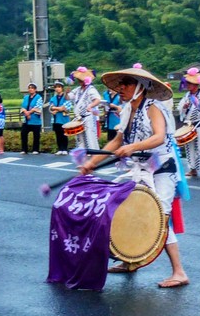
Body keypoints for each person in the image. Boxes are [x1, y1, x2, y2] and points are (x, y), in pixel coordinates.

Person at [79, 65, 189, 288]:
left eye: (127, 84)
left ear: (141, 87)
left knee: (158, 218)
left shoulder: (154, 108)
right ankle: (130, 262)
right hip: (141, 169)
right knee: (128, 212)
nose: (121, 88)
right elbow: (118, 141)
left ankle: (179, 272)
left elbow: (158, 138)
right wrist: (92, 162)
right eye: (121, 84)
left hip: (162, 170)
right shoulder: (127, 108)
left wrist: (133, 147)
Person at [177, 67, 200, 178]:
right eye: (187, 83)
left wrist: (199, 105)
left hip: (199, 124)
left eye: (190, 83)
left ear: (196, 85)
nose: (187, 85)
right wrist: (184, 107)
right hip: (189, 125)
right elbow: (180, 110)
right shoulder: (186, 96)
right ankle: (192, 169)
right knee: (189, 148)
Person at [65, 66, 101, 150]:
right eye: (79, 81)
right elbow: (68, 97)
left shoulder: (91, 89)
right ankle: (82, 155)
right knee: (80, 139)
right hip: (79, 118)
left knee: (90, 137)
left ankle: (94, 154)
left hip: (88, 116)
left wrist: (90, 106)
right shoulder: (77, 90)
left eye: (81, 81)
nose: (80, 82)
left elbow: (97, 99)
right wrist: (66, 93)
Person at [49, 81, 72, 155]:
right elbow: (50, 107)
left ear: (62, 88)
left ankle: (65, 149)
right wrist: (55, 109)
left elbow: (65, 108)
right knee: (58, 134)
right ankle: (60, 148)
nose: (57, 88)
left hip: (64, 119)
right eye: (56, 87)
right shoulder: (53, 98)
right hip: (56, 119)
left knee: (64, 134)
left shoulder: (66, 97)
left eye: (59, 87)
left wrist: (55, 108)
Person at [20, 83, 43, 154]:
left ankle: (35, 149)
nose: (30, 89)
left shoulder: (39, 97)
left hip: (35, 120)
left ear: (35, 89)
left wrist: (29, 112)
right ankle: (24, 149)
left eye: (32, 88)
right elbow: (23, 106)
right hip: (26, 119)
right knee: (23, 134)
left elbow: (38, 107)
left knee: (36, 135)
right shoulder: (26, 97)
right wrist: (26, 112)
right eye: (29, 88)